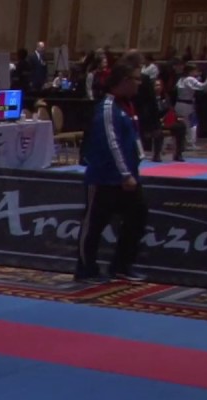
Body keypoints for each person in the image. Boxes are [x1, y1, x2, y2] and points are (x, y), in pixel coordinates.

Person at [75, 61, 148, 283]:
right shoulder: (107, 108)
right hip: (105, 177)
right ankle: (86, 269)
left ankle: (121, 265)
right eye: (136, 79)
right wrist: (124, 173)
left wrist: (137, 164)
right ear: (124, 81)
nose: (139, 83)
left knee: (138, 217)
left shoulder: (126, 106)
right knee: (94, 225)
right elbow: (112, 142)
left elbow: (132, 140)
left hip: (128, 177)